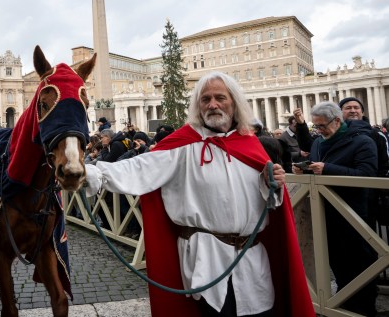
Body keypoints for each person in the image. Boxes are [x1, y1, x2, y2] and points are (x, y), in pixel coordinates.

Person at [85, 71, 314, 317]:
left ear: (234, 102)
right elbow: (140, 168)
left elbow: (266, 202)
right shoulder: (183, 144)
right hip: (207, 257)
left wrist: (272, 185)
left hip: (252, 258)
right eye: (205, 99)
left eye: (219, 98)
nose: (212, 104)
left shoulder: (250, 143)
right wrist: (92, 173)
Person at [292, 101, 378, 316]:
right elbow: (317, 168)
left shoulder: (363, 142)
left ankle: (364, 309)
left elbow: (367, 176)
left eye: (322, 126)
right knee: (338, 266)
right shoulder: (319, 142)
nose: (318, 131)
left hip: (353, 215)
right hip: (325, 214)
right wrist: (306, 171)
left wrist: (327, 168)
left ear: (337, 121)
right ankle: (344, 305)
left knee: (361, 266)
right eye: (316, 127)